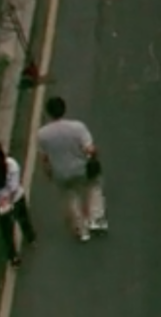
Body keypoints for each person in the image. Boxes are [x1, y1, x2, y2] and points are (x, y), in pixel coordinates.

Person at [34, 95, 108, 241]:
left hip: (61, 173)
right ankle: (96, 218)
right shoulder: (78, 127)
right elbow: (89, 149)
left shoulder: (42, 134)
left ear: (48, 113)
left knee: (70, 197)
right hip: (82, 169)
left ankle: (81, 230)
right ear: (64, 109)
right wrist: (95, 155)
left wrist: (48, 173)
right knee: (94, 186)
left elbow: (44, 158)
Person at [0, 137, 36, 267]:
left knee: (6, 230)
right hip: (16, 198)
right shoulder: (11, 164)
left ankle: (13, 256)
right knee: (23, 218)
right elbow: (14, 186)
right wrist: (8, 198)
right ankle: (30, 237)